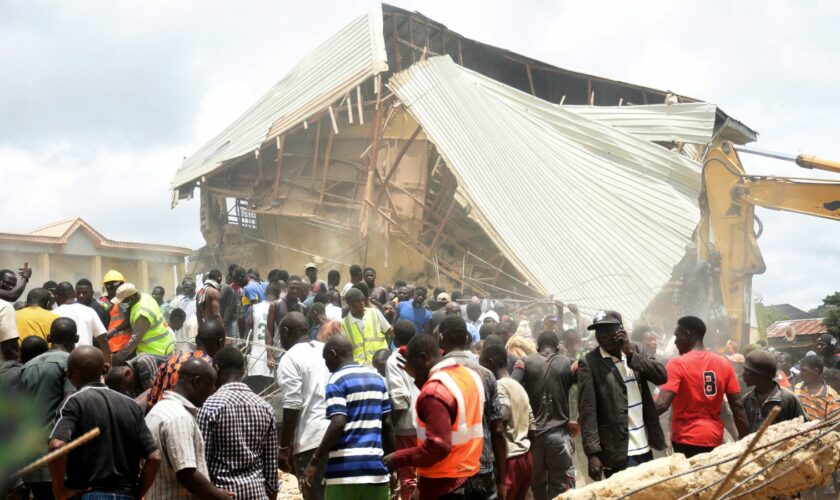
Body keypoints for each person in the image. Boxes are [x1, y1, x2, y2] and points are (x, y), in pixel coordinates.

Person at [48, 346, 161, 500]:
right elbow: (154, 457)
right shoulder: (131, 405)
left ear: (68, 373)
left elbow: (57, 446)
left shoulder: (73, 402)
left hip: (87, 494)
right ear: (106, 369)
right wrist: (137, 494)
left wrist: (59, 491)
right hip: (126, 494)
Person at [383, 334, 484, 500]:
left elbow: (437, 448)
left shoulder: (434, 392)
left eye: (413, 367)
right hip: (473, 477)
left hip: (444, 485)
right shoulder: (470, 376)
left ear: (424, 357)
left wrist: (397, 457)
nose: (411, 372)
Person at [578, 310, 668, 480]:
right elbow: (587, 411)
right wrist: (593, 454)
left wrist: (630, 354)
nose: (602, 336)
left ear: (620, 330)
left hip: (645, 445)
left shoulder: (636, 350)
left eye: (607, 330)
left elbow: (661, 376)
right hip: (617, 452)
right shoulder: (589, 362)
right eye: (598, 331)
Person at [304, 335, 396, 499]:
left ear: (333, 353)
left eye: (326, 360)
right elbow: (387, 424)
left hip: (342, 473)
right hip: (375, 471)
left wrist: (314, 460)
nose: (327, 366)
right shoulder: (378, 380)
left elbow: (338, 422)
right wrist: (394, 466)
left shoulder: (336, 380)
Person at [656, 316, 749, 457]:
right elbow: (737, 404)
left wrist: (637, 420)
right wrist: (746, 439)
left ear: (688, 334)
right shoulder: (724, 363)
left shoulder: (677, 364)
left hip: (685, 440)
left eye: (677, 336)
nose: (675, 342)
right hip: (715, 439)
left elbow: (662, 404)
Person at [437, 315, 506, 499]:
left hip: (450, 473)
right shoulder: (486, 375)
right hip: (483, 470)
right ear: (467, 339)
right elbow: (498, 430)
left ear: (441, 338)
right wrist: (501, 481)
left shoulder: (436, 375)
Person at [145, 357, 233, 499]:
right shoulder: (179, 417)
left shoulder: (159, 410)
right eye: (211, 386)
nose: (213, 392)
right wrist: (220, 497)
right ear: (197, 382)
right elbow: (187, 474)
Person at [197, 347, 279, 499]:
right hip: (257, 494)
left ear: (216, 369)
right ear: (244, 369)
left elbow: (201, 463)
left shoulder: (209, 407)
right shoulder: (266, 408)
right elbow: (271, 466)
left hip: (222, 494)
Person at [512, 331, 576, 498]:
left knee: (537, 487)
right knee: (562, 488)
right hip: (559, 436)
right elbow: (586, 386)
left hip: (533, 439)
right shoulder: (568, 363)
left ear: (537, 347)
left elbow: (511, 385)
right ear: (557, 347)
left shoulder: (524, 362)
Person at [18, 318, 78, 498]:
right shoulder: (73, 364)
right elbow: (71, 405)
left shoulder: (27, 367)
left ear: (49, 337)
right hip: (61, 459)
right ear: (76, 338)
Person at [277, 311, 331, 500]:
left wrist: (284, 448)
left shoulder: (290, 358)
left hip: (312, 442)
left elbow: (292, 405)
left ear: (285, 331)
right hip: (339, 434)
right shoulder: (327, 350)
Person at [480, 344, 534, 500]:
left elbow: (501, 423)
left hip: (509, 460)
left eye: (482, 364)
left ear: (490, 362)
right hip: (525, 456)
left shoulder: (499, 386)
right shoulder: (519, 387)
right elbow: (533, 428)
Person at [147, 319, 226, 410]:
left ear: (196, 340)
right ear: (220, 343)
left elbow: (151, 402)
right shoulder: (212, 370)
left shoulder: (169, 362)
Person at [384, 320, 421, 499]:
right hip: (424, 423)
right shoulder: (422, 354)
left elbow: (400, 399)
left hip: (406, 426)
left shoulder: (395, 359)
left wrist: (391, 425)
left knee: (408, 478)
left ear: (395, 337)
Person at [742, 349, 806, 432]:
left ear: (760, 374)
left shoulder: (788, 399)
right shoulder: (747, 400)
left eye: (747, 371)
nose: (743, 374)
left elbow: (804, 428)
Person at [110, 283, 174, 363]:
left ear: (131, 298)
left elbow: (135, 339)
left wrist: (118, 357)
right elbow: (131, 320)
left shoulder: (143, 313)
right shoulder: (144, 297)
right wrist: (114, 330)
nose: (120, 304)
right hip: (160, 347)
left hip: (156, 352)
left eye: (122, 302)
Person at [53, 281, 110, 364]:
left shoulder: (53, 313)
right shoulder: (89, 311)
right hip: (87, 361)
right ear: (74, 294)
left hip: (61, 362)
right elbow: (103, 340)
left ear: (57, 297)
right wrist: (108, 365)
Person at [342, 288, 391, 367]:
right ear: (349, 303)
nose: (362, 303)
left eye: (362, 300)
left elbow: (389, 332)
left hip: (380, 363)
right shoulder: (344, 323)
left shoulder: (375, 313)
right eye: (358, 301)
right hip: (360, 366)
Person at [266, 275, 308, 360]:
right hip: (279, 351)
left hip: (297, 352)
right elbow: (269, 330)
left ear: (301, 289)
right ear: (287, 287)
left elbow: (305, 331)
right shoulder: (275, 305)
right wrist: (269, 355)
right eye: (292, 288)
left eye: (298, 288)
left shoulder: (303, 307)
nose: (295, 290)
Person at [795, 354, 840, 421]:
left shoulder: (830, 395)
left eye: (804, 370)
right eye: (800, 370)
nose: (800, 373)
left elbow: (834, 423)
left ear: (816, 371)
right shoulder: (797, 387)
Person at [245, 281, 277, 377]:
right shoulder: (278, 308)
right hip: (272, 358)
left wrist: (245, 350)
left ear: (265, 293)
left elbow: (248, 335)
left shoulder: (253, 308)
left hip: (256, 358)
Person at [100, 269, 131, 353]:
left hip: (125, 346)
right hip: (111, 345)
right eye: (108, 285)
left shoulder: (126, 300)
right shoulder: (105, 301)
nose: (111, 287)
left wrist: (114, 331)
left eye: (114, 284)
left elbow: (129, 320)